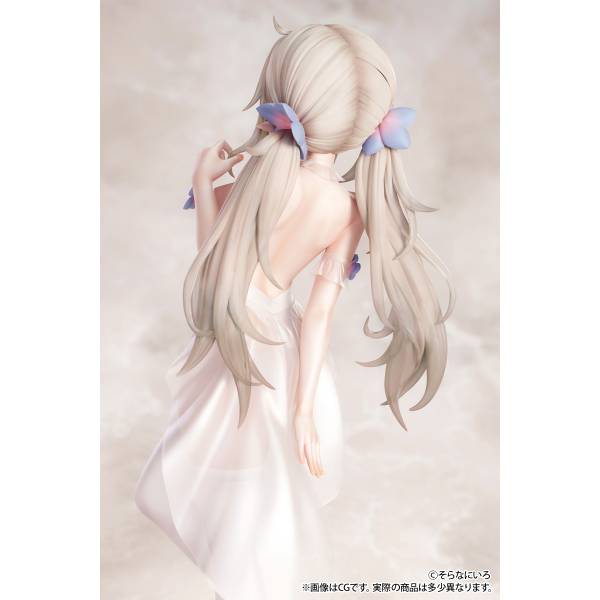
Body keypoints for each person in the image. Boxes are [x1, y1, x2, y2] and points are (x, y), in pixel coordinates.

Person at [135, 18, 452, 600]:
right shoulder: (347, 210)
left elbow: (212, 265)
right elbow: (319, 316)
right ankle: (242, 574)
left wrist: (204, 185)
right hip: (277, 347)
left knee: (229, 473)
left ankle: (242, 576)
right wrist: (303, 407)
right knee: (253, 479)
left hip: (234, 333)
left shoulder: (262, 179)